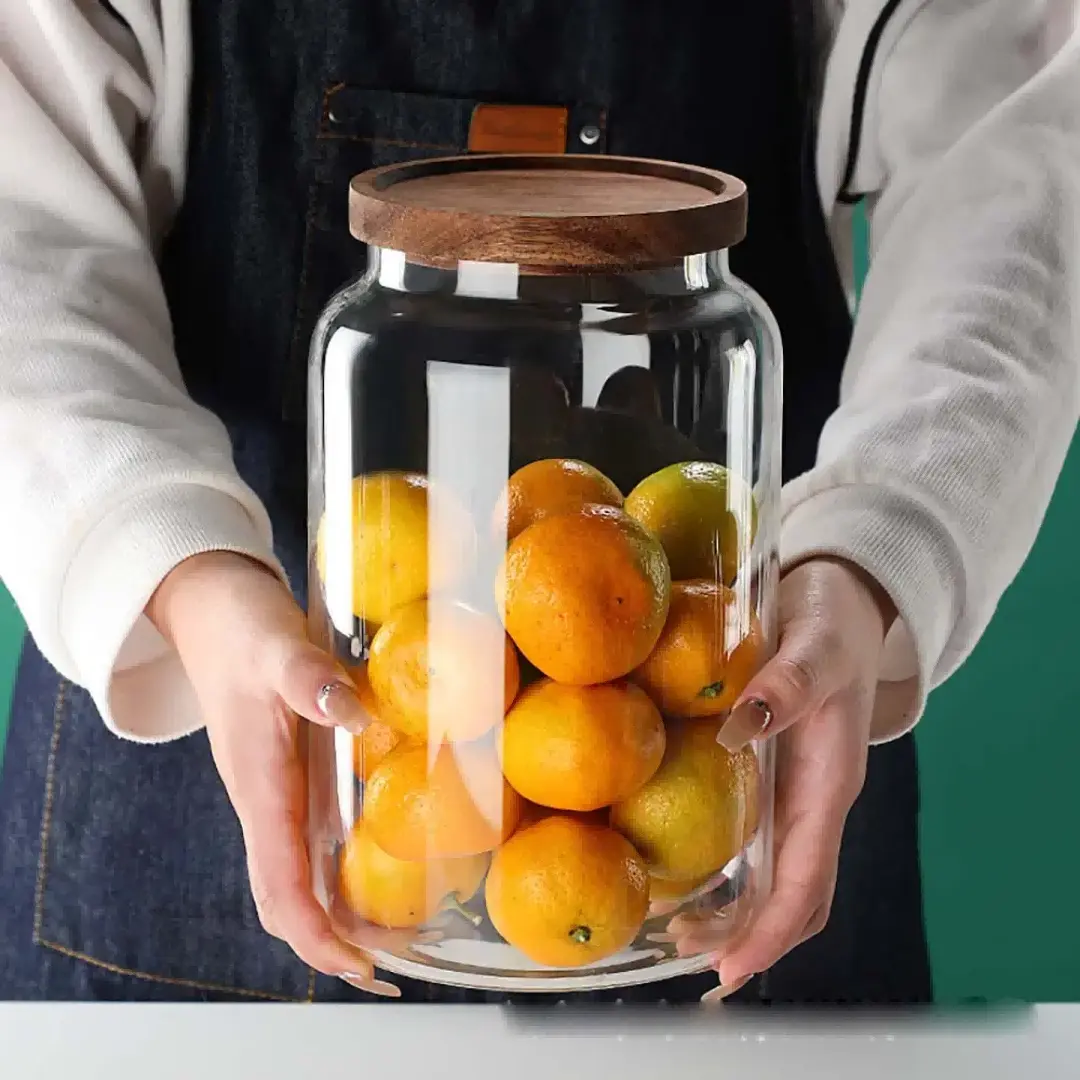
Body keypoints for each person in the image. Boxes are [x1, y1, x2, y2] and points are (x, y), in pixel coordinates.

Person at [0, 0, 1076, 1005]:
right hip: (218, 715)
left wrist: (879, 548)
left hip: (756, 727)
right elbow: (18, 217)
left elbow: (1020, 155)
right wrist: (175, 568)